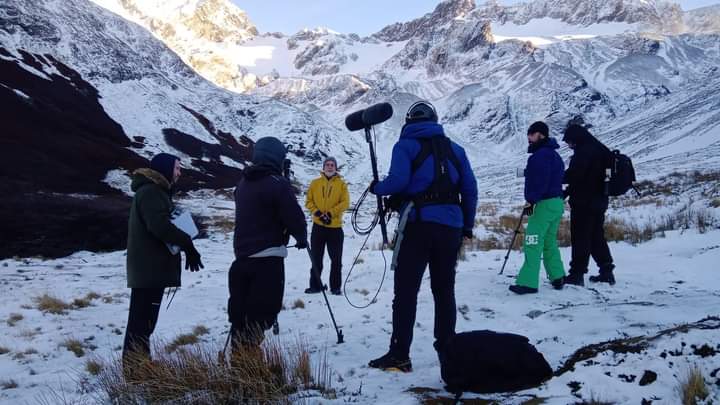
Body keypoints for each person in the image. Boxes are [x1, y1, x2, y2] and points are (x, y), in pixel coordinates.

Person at [368, 101, 478, 372]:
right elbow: (471, 189)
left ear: (409, 121)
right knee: (444, 290)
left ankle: (400, 354)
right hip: (451, 226)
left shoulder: (405, 146)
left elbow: (397, 182)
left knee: (406, 291)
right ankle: (448, 351)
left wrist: (377, 188)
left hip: (418, 225)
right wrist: (467, 226)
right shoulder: (456, 149)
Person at [123, 153, 203, 367]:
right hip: (149, 269)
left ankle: (140, 364)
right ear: (166, 168)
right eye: (177, 168)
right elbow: (160, 227)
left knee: (144, 320)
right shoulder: (151, 192)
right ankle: (135, 370)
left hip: (151, 268)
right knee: (141, 321)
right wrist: (187, 244)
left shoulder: (156, 192)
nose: (179, 172)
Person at [229, 137, 308, 351]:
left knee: (241, 316)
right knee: (261, 316)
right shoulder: (277, 184)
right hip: (267, 260)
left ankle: (238, 366)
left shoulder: (243, 183)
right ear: (277, 158)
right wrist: (301, 237)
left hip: (241, 259)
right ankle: (251, 371)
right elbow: (294, 218)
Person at [510, 122, 566, 295]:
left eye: (531, 134)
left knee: (532, 242)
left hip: (543, 204)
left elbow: (540, 181)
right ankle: (558, 276)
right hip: (557, 203)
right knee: (549, 242)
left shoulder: (539, 156)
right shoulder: (555, 155)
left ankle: (528, 283)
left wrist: (531, 201)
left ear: (540, 135)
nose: (528, 137)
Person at [562, 124, 616, 286]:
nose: (570, 146)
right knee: (596, 236)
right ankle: (606, 271)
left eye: (570, 142)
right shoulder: (600, 149)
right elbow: (588, 177)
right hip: (600, 201)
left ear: (576, 138)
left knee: (581, 237)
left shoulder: (583, 152)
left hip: (584, 202)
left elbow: (575, 175)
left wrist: (555, 178)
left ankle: (577, 274)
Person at [304, 157, 350, 295]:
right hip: (318, 227)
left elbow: (345, 203)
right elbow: (308, 201)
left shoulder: (342, 185)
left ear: (336, 168)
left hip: (335, 228)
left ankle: (335, 287)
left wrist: (330, 214)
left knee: (336, 260)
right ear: (323, 168)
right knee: (316, 258)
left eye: (332, 165)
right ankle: (315, 286)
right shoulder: (315, 183)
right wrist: (318, 213)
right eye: (327, 165)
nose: (330, 167)